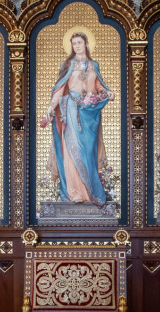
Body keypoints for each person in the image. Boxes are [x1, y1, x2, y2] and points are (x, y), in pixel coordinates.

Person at [42, 31, 114, 206]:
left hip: (89, 112)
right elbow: (60, 88)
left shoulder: (93, 65)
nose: (77, 46)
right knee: (72, 148)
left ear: (86, 44)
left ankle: (88, 193)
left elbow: (98, 85)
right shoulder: (68, 64)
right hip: (71, 109)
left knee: (88, 151)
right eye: (74, 43)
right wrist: (51, 107)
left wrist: (107, 92)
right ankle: (74, 192)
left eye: (79, 42)